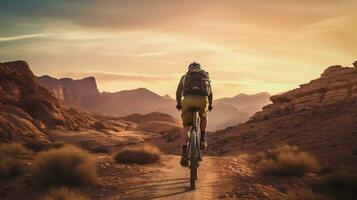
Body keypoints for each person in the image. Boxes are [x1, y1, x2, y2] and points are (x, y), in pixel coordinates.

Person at [176, 62, 213, 167]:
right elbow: (210, 93)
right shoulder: (205, 76)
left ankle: (184, 153)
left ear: (189, 69)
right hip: (202, 102)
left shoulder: (185, 77)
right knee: (204, 117)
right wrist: (210, 105)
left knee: (186, 126)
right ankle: (202, 139)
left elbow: (179, 91)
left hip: (187, 101)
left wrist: (179, 103)